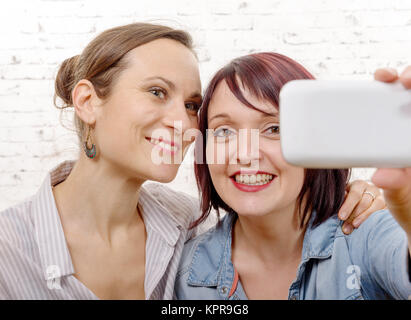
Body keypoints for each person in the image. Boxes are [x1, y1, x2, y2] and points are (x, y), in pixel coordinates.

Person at [0, 23, 383, 300]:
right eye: (156, 92)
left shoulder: (183, 224)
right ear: (87, 102)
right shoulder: (8, 248)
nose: (184, 124)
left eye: (190, 106)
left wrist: (365, 195)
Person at [174, 52, 411, 300]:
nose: (245, 154)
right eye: (224, 130)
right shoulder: (185, 276)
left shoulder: (366, 235)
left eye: (274, 128)